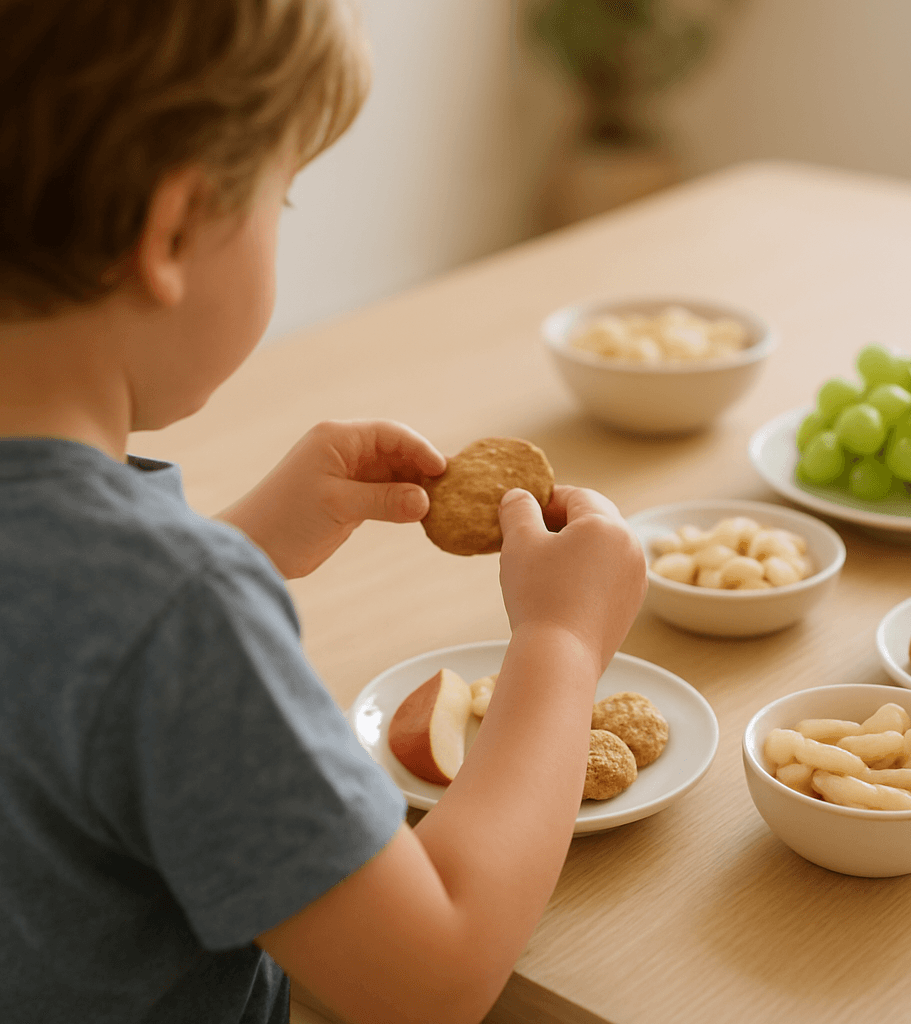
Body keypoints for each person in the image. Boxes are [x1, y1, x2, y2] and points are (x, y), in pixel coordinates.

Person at [0, 1, 649, 1022]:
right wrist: (561, 646)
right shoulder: (175, 616)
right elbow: (430, 976)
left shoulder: (137, 602)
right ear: (169, 231)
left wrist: (236, 546)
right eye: (281, 200)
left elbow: (52, 659)